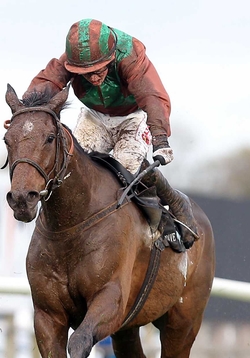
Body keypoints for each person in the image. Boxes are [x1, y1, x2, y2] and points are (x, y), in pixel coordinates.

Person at [24, 19, 197, 251]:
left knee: (125, 168)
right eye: (85, 73)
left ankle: (171, 205)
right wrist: (26, 112)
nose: (94, 78)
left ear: (112, 56)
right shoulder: (69, 60)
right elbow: (47, 82)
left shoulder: (131, 55)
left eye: (98, 70)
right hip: (95, 115)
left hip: (134, 116)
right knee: (73, 167)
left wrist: (160, 137)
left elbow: (152, 97)